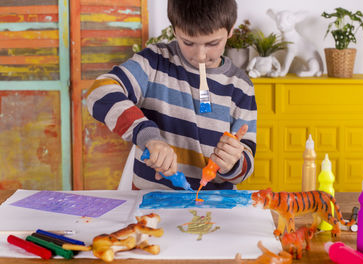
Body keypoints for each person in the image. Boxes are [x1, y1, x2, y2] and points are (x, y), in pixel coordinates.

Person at [86, 0, 257, 190]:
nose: (200, 55)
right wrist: (148, 136)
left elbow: (247, 161)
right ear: (175, 30)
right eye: (188, 42)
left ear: (230, 30)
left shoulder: (242, 86)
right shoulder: (154, 62)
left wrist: (233, 162)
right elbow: (100, 92)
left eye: (213, 43)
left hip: (215, 207)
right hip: (152, 203)